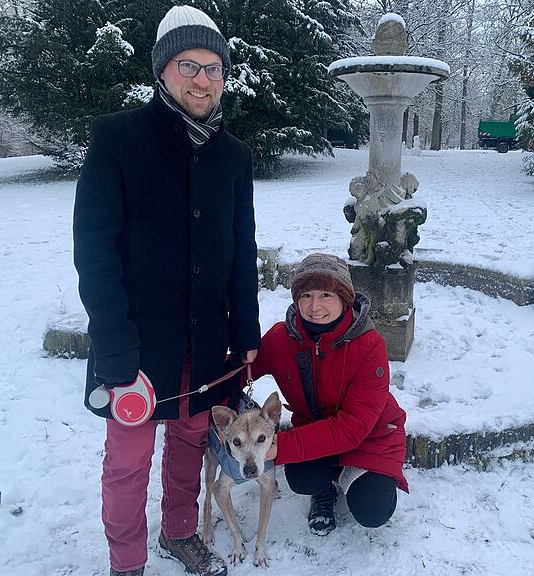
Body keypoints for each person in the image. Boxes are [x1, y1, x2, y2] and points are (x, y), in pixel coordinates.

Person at [73, 6, 260, 576]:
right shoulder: (117, 139)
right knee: (128, 463)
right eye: (189, 65)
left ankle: (179, 533)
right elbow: (94, 253)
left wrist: (246, 333)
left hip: (207, 344)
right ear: (163, 70)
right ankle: (126, 562)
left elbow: (240, 252)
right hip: (134, 344)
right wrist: (111, 344)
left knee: (187, 446)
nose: (203, 79)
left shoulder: (233, 156)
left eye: (214, 68)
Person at [250, 253, 409, 536]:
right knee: (302, 478)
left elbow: (353, 426)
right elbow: (240, 371)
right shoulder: (280, 339)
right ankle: (325, 489)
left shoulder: (369, 345)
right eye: (306, 295)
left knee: (373, 510)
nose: (315, 306)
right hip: (317, 431)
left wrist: (280, 447)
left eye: (326, 294)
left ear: (344, 298)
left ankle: (354, 474)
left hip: (371, 435)